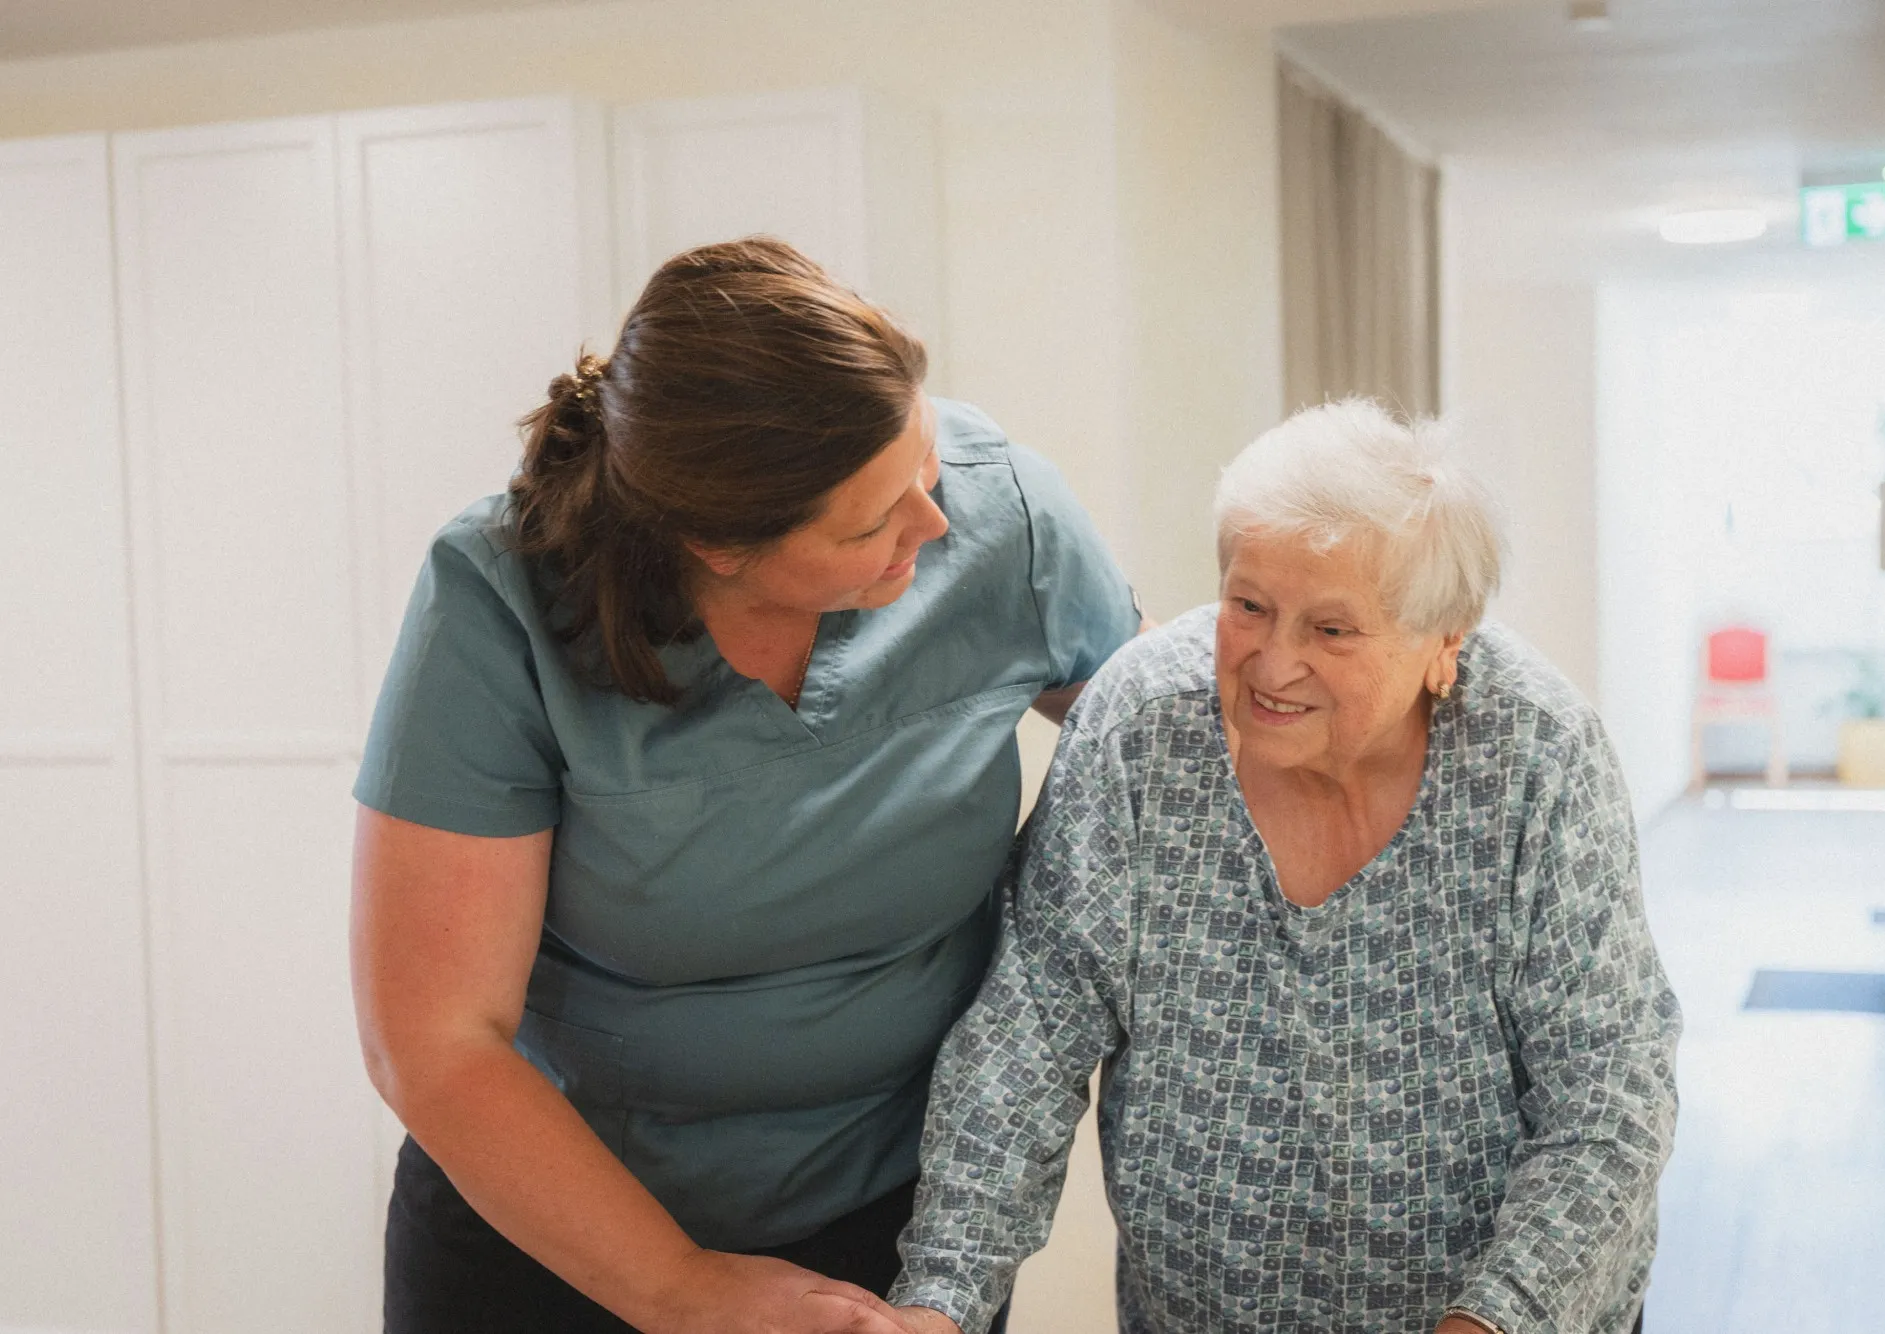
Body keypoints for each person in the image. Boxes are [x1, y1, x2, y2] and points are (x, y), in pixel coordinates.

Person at [348, 237, 1140, 1334]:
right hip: (555, 1233)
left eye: (926, 467)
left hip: (895, 1219)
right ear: (715, 544)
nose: (938, 526)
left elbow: (1166, 755)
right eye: (871, 523)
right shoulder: (502, 594)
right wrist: (679, 1285)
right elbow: (434, 1037)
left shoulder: (1000, 508)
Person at [890, 399, 1680, 1334]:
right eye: (1249, 605)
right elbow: (1026, 1037)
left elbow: (1610, 1095)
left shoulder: (1536, 754)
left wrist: (1496, 1319)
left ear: (1445, 642)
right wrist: (940, 1299)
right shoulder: (1141, 727)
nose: (1272, 662)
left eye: (1332, 631)